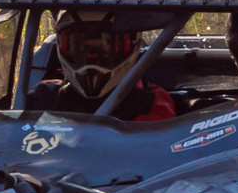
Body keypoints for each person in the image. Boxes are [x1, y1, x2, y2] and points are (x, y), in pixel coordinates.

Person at [28, 9, 174, 120]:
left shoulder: (150, 103)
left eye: (107, 46)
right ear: (60, 46)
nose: (91, 58)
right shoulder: (44, 98)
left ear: (132, 45)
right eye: (79, 46)